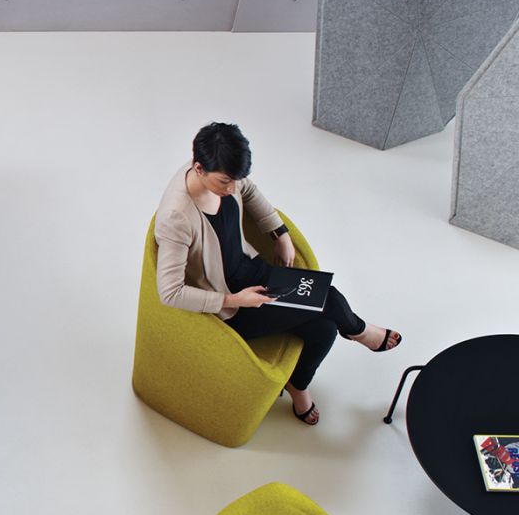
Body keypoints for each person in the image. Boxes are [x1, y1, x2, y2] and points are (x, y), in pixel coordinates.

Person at [155, 122, 401, 426]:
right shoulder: (176, 217)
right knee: (331, 299)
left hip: (253, 271)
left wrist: (280, 234)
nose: (232, 188)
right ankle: (359, 331)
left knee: (324, 330)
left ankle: (298, 387)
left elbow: (250, 191)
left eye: (235, 179)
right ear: (198, 168)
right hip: (234, 307)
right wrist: (235, 300)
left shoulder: (221, 171)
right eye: (225, 182)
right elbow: (169, 292)